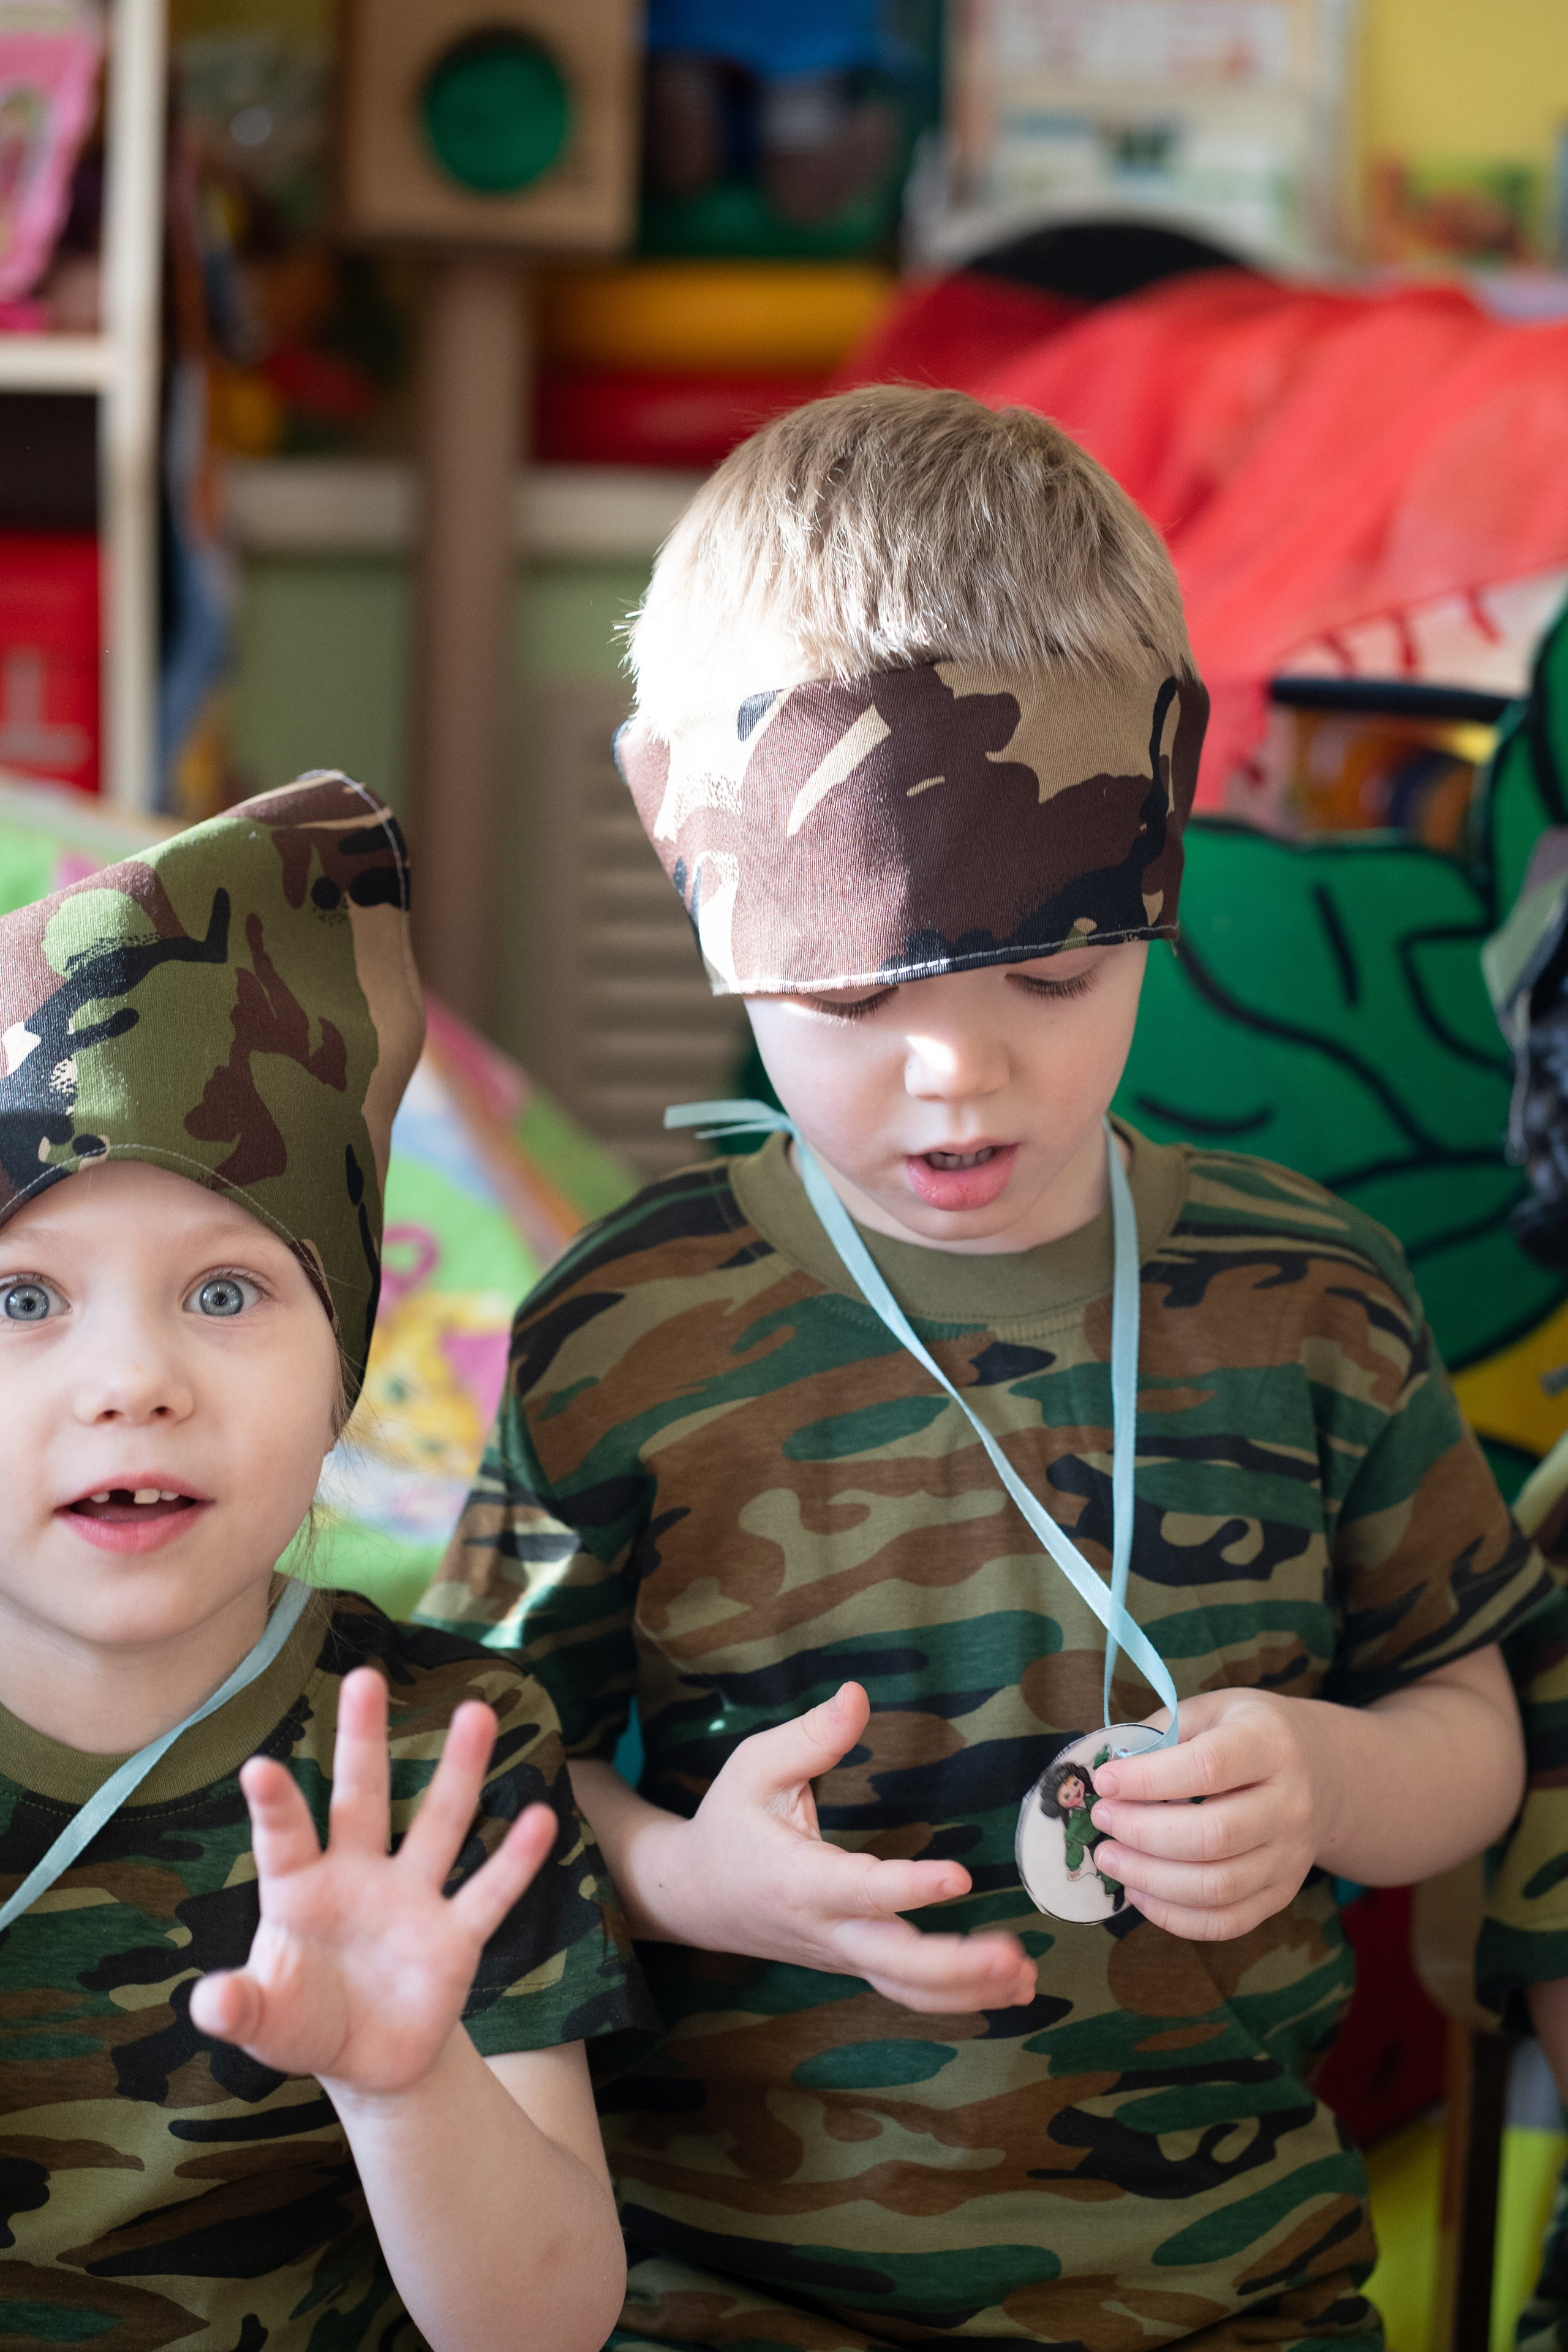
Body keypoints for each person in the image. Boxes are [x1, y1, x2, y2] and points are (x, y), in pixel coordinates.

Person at [418, 386, 1545, 2351]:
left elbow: (1475, 1725)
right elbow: (483, 1790)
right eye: (858, 994)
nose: (960, 1071)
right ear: (699, 873)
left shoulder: (1315, 1300)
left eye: (1054, 973)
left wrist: (1330, 1782)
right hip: (737, 2300)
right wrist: (692, 1877)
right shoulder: (627, 1334)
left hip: (1234, 2298)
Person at [0, 775, 653, 2349]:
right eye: (23, 1301)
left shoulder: (444, 1755)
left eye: (226, 1293)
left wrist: (404, 2081)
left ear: (346, 1358)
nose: (132, 1381)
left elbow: (547, 2326)